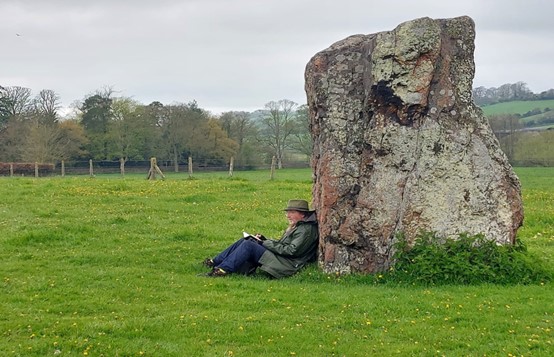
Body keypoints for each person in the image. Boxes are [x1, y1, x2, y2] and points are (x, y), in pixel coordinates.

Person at [202, 199, 319, 278]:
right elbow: (283, 245)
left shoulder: (305, 230)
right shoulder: (299, 226)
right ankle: (215, 262)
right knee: (248, 240)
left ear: (303, 214)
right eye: (287, 212)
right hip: (283, 259)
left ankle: (222, 270)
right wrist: (263, 239)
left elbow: (291, 251)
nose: (288, 216)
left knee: (249, 245)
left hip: (287, 265)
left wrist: (264, 242)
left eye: (292, 212)